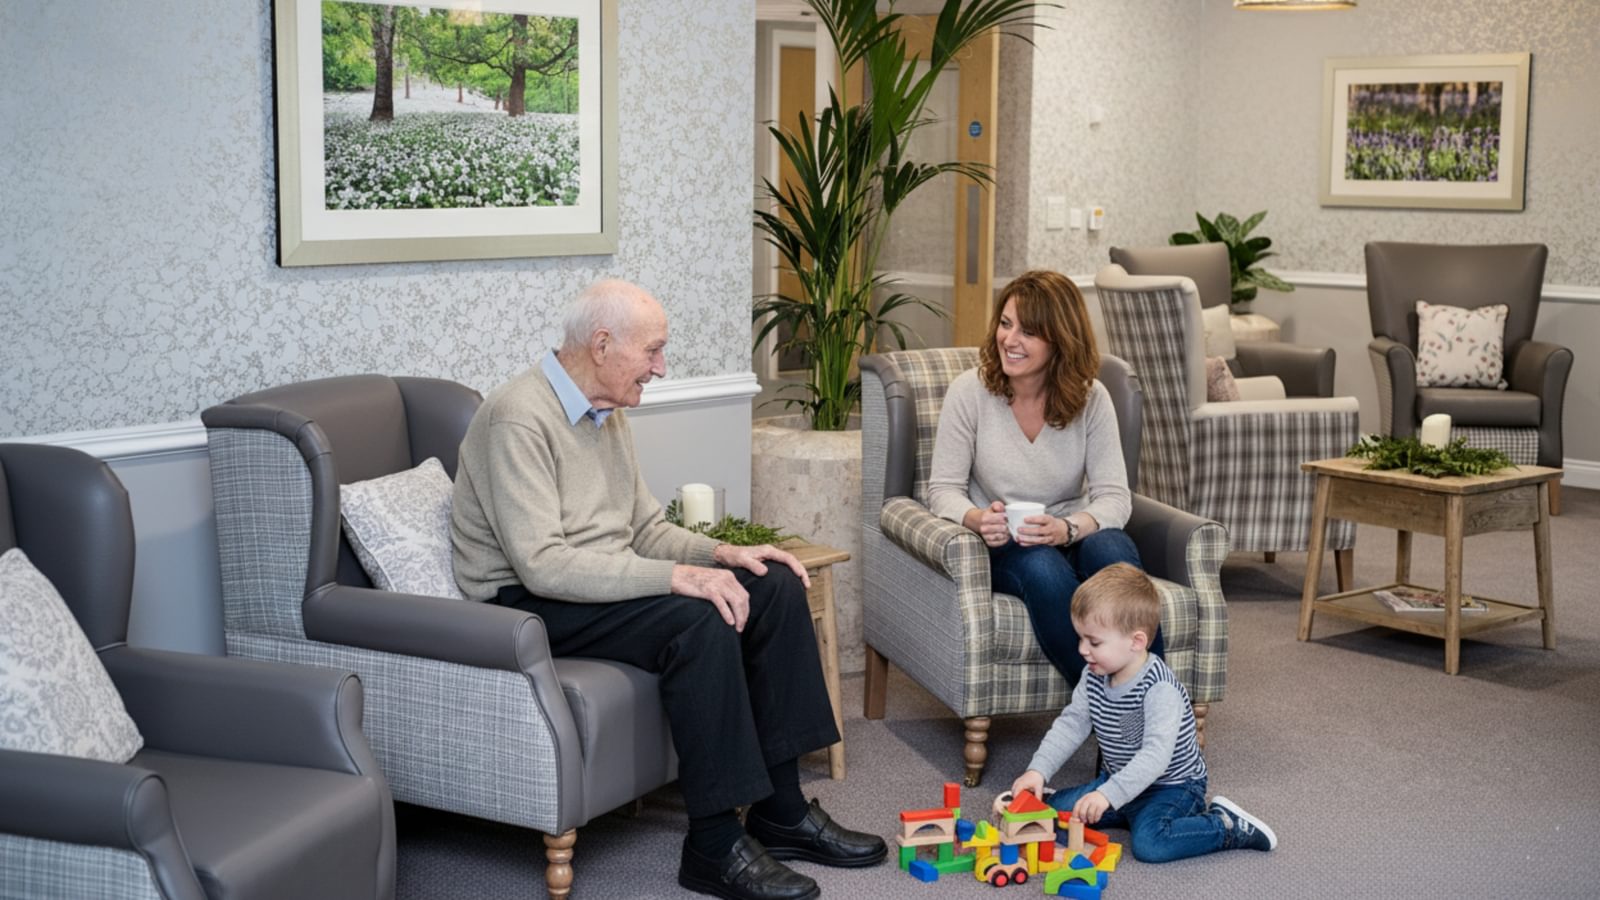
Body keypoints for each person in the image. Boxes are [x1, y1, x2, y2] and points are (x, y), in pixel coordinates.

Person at [451, 279, 885, 900]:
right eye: (652, 351)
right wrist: (680, 578)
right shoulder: (517, 417)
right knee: (699, 618)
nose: (660, 367)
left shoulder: (605, 411)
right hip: (523, 605)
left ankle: (782, 812)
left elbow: (645, 529)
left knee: (775, 584)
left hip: (598, 581)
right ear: (602, 344)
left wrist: (724, 554)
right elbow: (543, 565)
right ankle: (712, 846)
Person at [926, 269, 1158, 684]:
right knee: (1045, 571)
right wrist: (978, 520)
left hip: (1071, 531)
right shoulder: (970, 392)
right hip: (1007, 548)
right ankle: (1119, 711)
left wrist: (1067, 529)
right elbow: (943, 490)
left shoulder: (1091, 398)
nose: (1009, 340)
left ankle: (1155, 701)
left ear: (1060, 341)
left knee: (1113, 552)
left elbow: (1114, 498)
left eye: (1028, 332)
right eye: (1005, 323)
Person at [1010, 563, 1277, 862]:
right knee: (1053, 812)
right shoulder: (1093, 675)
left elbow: (1155, 757)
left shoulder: (1160, 688)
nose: (1083, 650)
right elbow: (1071, 725)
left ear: (1136, 642)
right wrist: (1038, 770)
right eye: (1080, 639)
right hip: (1121, 779)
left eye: (1094, 642)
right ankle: (1130, 813)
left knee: (1151, 845)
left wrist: (1108, 795)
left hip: (1172, 787)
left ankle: (1225, 825)